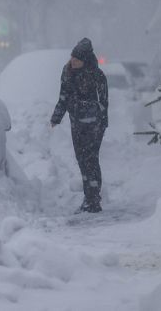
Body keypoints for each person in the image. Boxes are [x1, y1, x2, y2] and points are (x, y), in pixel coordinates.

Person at [50, 38, 109, 213]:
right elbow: (63, 97)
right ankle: (89, 197)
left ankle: (93, 200)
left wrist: (103, 123)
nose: (73, 61)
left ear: (85, 60)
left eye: (77, 59)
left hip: (94, 125)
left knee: (91, 160)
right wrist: (56, 117)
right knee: (82, 160)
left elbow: (104, 101)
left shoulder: (97, 75)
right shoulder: (68, 73)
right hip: (77, 123)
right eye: (72, 57)